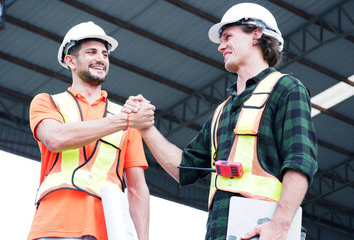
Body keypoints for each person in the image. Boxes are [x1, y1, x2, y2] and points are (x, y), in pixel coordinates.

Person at [123, 3, 317, 240]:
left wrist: (279, 226)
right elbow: (184, 169)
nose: (221, 46)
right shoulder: (222, 112)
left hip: (267, 232)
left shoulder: (286, 88)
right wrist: (146, 127)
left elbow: (300, 160)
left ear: (256, 34)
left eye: (228, 36)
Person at [28, 21, 155, 240]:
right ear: (71, 61)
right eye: (91, 52)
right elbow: (55, 138)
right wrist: (124, 120)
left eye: (105, 54)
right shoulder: (47, 102)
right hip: (54, 227)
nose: (101, 59)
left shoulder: (125, 119)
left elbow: (137, 189)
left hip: (108, 229)